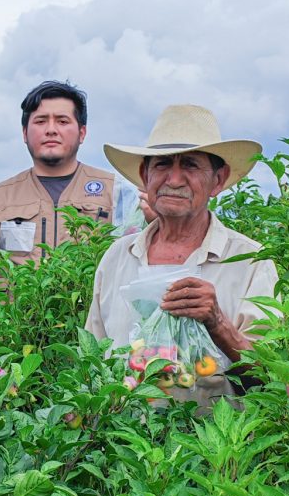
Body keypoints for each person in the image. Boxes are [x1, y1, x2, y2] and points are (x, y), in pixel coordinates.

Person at [86, 104, 278, 406]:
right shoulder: (116, 258)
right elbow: (92, 360)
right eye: (162, 164)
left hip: (214, 448)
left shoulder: (250, 261)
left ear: (218, 180)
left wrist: (218, 323)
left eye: (190, 165)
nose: (174, 180)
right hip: (121, 447)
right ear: (144, 175)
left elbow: (272, 377)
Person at [0, 80, 115, 276]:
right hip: (16, 307)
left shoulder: (113, 192)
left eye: (62, 121)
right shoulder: (0, 197)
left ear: (82, 133)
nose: (51, 129)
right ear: (25, 133)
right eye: (41, 121)